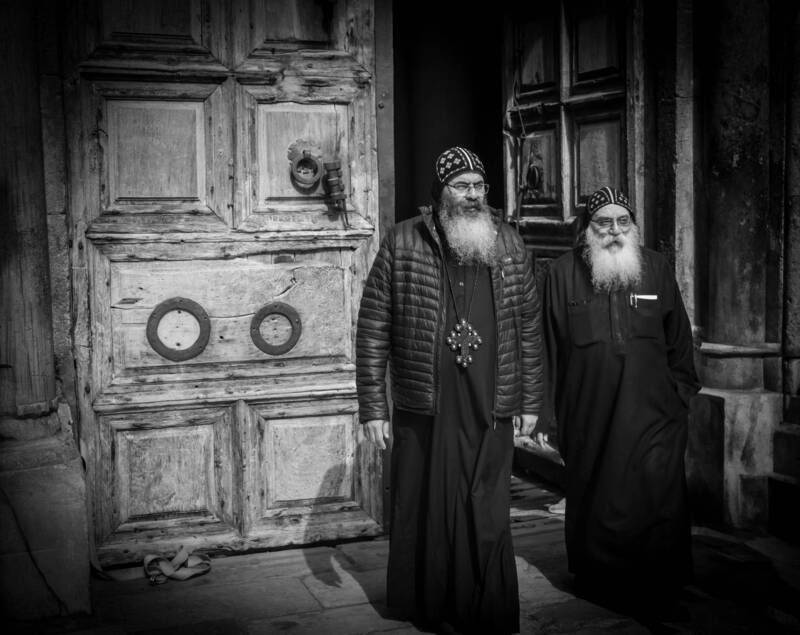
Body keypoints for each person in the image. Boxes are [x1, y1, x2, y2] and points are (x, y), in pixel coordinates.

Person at [356, 147, 543, 634]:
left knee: (486, 505)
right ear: (439, 193)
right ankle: (431, 604)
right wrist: (373, 407)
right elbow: (373, 325)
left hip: (490, 396)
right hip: (427, 401)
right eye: (462, 186)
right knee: (426, 503)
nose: (473, 195)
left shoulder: (508, 242)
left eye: (479, 186)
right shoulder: (402, 241)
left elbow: (529, 326)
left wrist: (530, 400)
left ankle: (486, 607)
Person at [536, 186, 700, 621]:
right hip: (590, 417)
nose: (613, 231)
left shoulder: (657, 268)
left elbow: (679, 340)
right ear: (587, 229)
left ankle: (660, 583)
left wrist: (679, 397)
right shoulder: (561, 273)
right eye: (603, 222)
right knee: (597, 497)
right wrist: (547, 415)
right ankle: (601, 579)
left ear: (633, 225)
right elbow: (547, 347)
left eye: (621, 221)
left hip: (655, 416)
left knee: (658, 497)